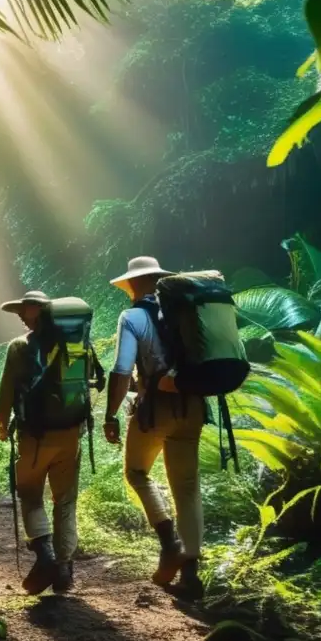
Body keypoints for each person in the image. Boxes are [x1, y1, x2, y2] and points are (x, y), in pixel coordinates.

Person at [102, 256, 206, 600]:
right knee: (188, 488)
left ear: (133, 284)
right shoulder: (185, 313)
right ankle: (190, 572)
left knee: (136, 473)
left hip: (155, 411)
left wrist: (110, 414)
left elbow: (121, 369)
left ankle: (169, 543)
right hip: (193, 405)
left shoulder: (132, 316)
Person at [0, 290, 82, 595]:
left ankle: (46, 555)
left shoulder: (19, 347)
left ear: (39, 310)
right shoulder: (75, 342)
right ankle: (63, 569)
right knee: (65, 500)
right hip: (71, 433)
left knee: (31, 494)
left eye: (24, 309)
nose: (20, 314)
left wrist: (1, 424)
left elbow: (7, 389)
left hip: (34, 436)